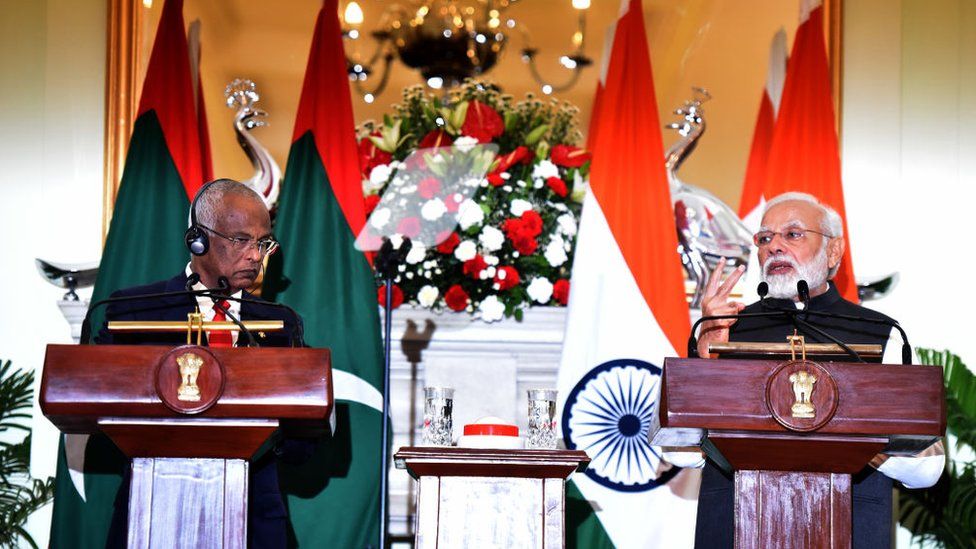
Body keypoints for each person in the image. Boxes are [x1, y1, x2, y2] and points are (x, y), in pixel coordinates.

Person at [691, 191, 945, 549]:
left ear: (833, 251)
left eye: (792, 234)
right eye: (765, 238)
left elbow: (927, 468)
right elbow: (673, 453)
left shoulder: (880, 333)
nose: (774, 246)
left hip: (850, 529)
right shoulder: (725, 329)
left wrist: (847, 440)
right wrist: (705, 362)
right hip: (735, 527)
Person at [97, 179, 311, 548]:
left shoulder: (280, 323)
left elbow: (305, 441)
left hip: (254, 519)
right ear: (198, 239)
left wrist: (259, 438)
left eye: (263, 243)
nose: (256, 256)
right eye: (241, 240)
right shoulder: (134, 311)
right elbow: (97, 409)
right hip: (154, 510)